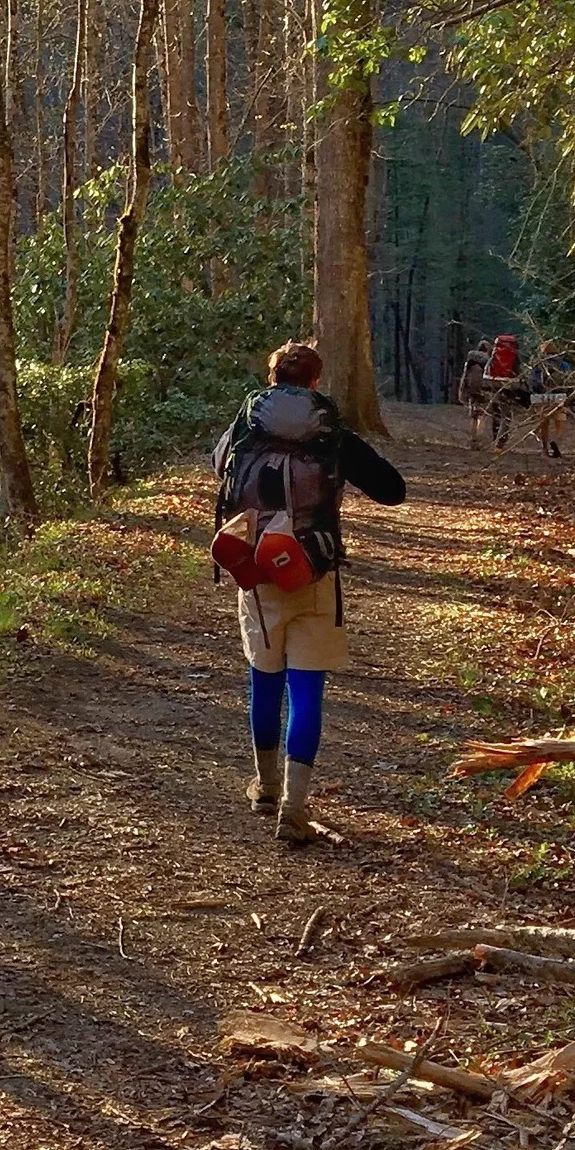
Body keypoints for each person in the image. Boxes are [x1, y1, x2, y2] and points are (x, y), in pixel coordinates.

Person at [211, 341, 407, 844]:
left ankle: (266, 787)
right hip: (314, 572)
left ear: (271, 377)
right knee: (306, 691)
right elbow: (392, 490)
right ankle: (295, 809)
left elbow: (219, 469)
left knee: (264, 684)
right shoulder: (332, 435)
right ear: (316, 383)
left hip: (256, 572)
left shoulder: (244, 427)